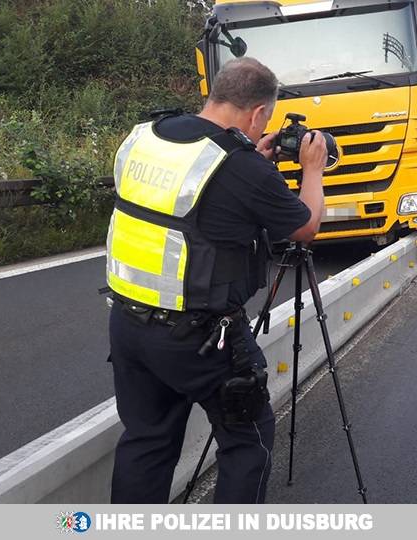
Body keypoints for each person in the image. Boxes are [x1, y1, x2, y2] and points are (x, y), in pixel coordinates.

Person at [105, 57, 327, 503]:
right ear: (260, 113)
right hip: (200, 339)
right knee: (248, 436)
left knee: (147, 441)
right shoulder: (242, 166)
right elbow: (304, 226)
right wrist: (313, 171)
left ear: (216, 94)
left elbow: (189, 204)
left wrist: (252, 160)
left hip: (127, 325)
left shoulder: (143, 136)